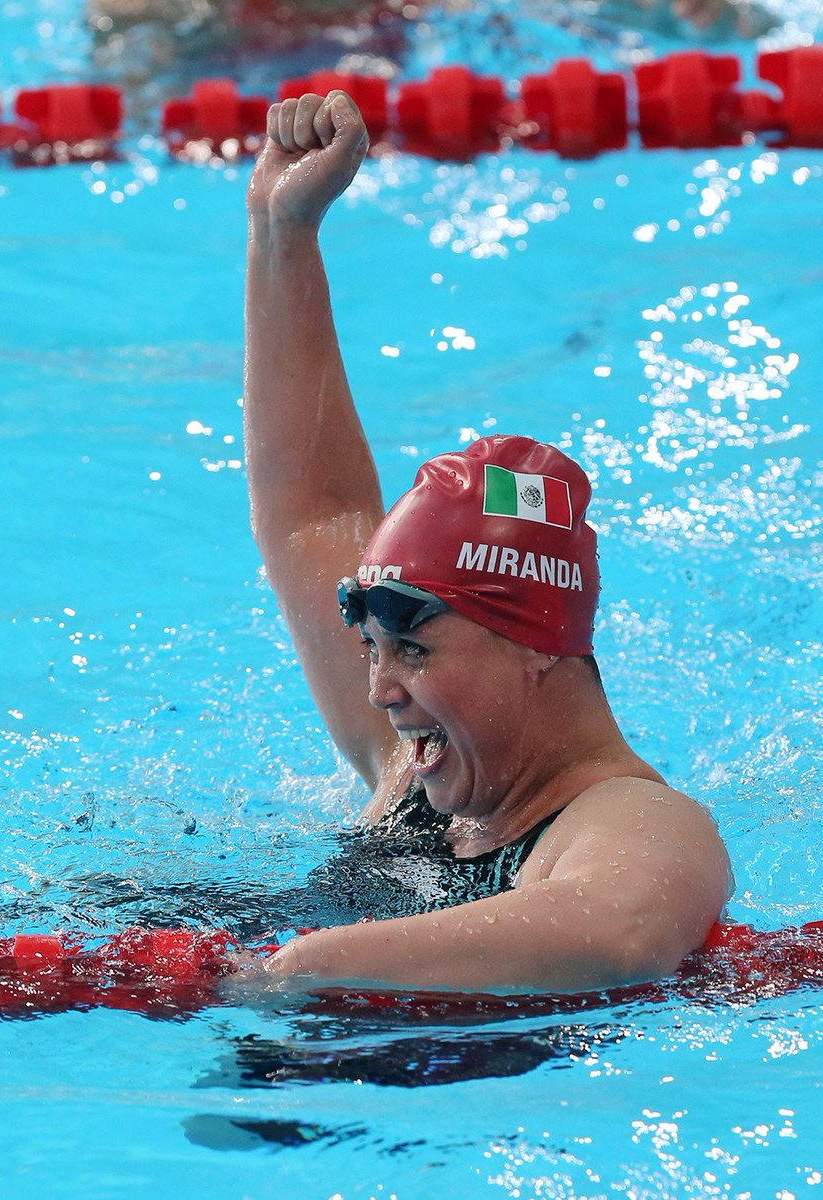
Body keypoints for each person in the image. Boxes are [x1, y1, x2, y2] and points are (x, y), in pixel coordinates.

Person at [237, 90, 731, 994]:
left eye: (413, 649)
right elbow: (312, 510)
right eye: (374, 647)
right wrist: (282, 230)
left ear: (535, 643)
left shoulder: (634, 824)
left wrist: (300, 970)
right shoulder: (422, 766)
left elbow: (617, 934)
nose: (380, 689)